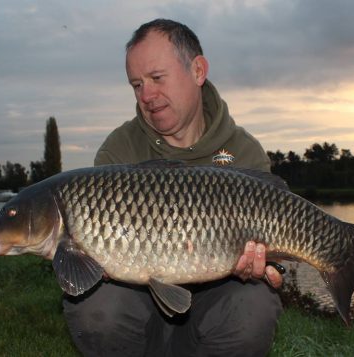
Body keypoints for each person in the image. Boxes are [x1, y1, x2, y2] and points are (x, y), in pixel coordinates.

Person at [63, 19, 283, 357]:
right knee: (93, 305)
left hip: (218, 294)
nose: (146, 95)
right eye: (136, 84)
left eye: (156, 78)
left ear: (197, 71)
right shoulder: (119, 150)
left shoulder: (244, 152)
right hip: (139, 299)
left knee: (255, 304)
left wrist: (265, 265)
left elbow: (272, 263)